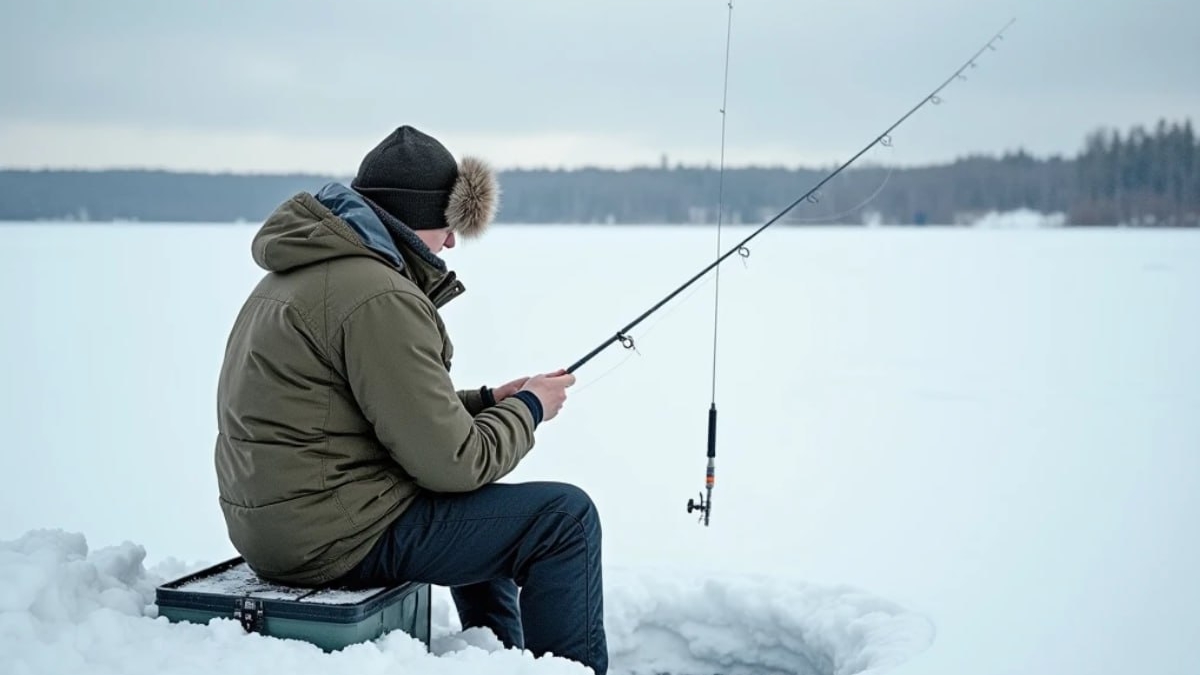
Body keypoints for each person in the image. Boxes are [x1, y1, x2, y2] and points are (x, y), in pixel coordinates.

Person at [214, 125, 608, 673]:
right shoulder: (377, 295)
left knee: (490, 512)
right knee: (564, 520)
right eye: (448, 223)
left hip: (286, 524)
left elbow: (365, 412)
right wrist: (531, 408)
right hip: (332, 536)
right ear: (413, 216)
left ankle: (495, 657)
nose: (452, 242)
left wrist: (490, 399)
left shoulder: (302, 273)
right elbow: (455, 463)